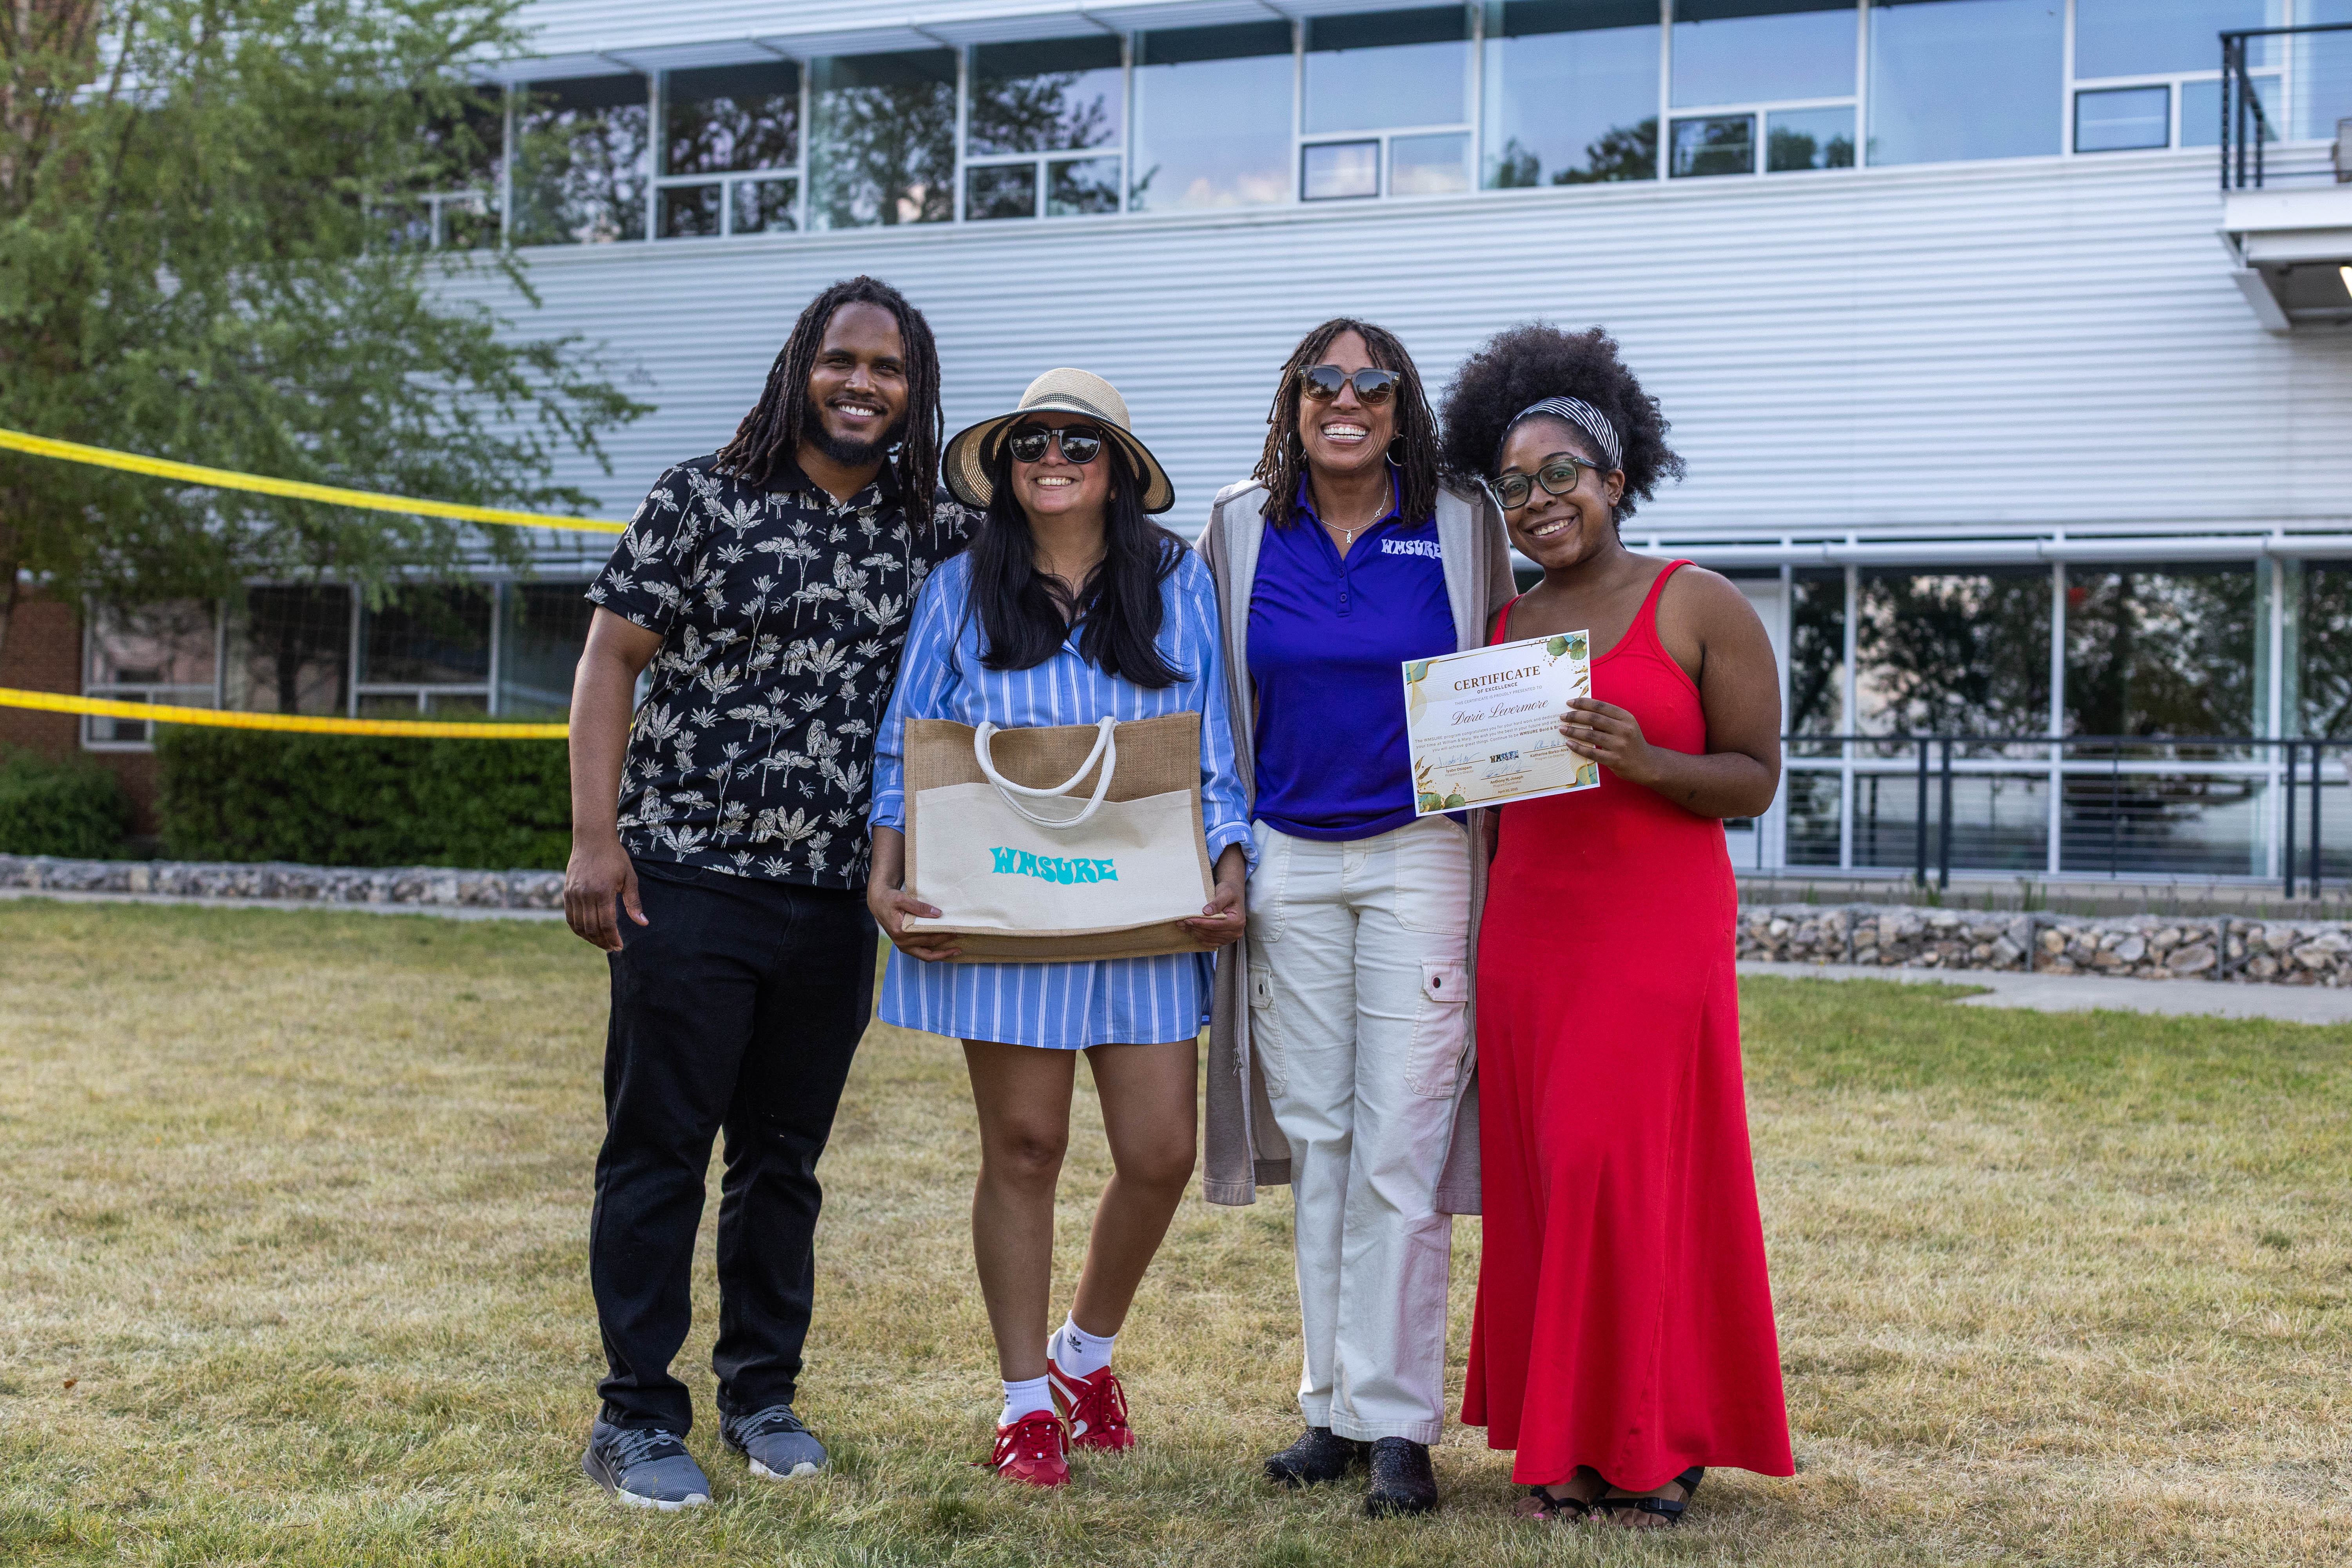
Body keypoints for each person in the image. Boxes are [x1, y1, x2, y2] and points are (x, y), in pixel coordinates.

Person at [563, 276, 976, 1510]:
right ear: (805, 365)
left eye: (889, 369)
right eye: (845, 361)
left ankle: (762, 1395)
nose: (864, 385)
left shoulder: (933, 534)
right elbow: (608, 660)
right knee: (659, 1151)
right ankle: (635, 1417)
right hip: (685, 880)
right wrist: (597, 842)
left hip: (834, 899)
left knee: (785, 1160)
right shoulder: (703, 500)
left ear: (916, 391)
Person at [865, 369, 1250, 1488]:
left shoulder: (1177, 582)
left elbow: (1214, 740)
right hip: (1006, 906)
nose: (1053, 455)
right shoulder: (958, 586)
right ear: (1006, 464)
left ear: (1117, 469)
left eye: (1078, 442)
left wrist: (1231, 867)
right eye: (1031, 439)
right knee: (1026, 1148)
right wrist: (886, 881)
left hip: (1145, 905)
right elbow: (908, 742)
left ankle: (1085, 1354)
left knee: (1162, 1153)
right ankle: (1024, 1400)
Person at [1441, 324, 1794, 1527]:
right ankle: (1563, 1439)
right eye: (1515, 485)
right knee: (1547, 1179)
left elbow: (1754, 778)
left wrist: (1647, 759)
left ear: (1614, 482)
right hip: (1531, 933)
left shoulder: (1696, 602)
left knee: (1623, 1171)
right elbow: (1486, 798)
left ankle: (1650, 1439)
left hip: (1654, 932)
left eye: (1561, 477)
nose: (1539, 502)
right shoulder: (1500, 629)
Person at [1196, 319, 1516, 1517]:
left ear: (1400, 406)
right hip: (1287, 858)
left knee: (1403, 1140)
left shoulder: (1461, 519)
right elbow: (1209, 700)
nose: (1346, 399)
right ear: (1291, 402)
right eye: (1321, 382)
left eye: (1369, 384)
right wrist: (1222, 850)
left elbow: (1508, 665)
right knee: (1323, 1137)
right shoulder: (1237, 525)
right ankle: (1328, 1407)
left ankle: (1399, 1428)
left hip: (1420, 858)